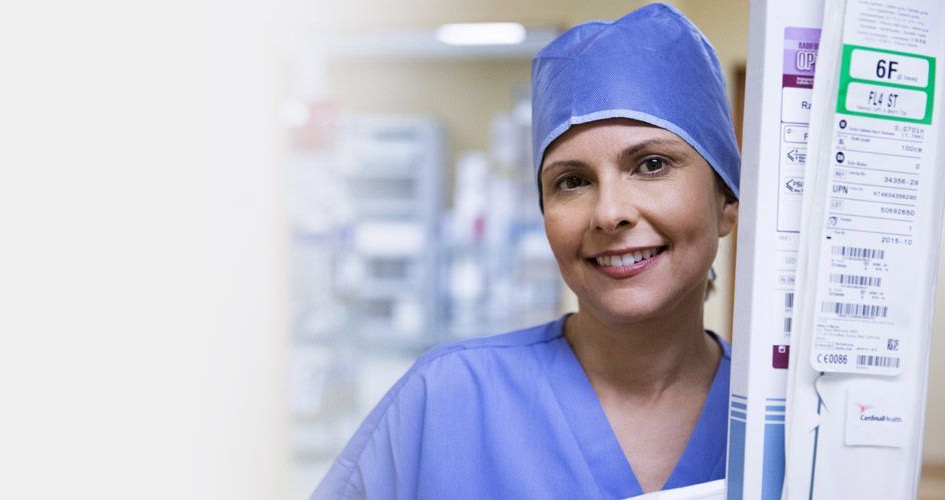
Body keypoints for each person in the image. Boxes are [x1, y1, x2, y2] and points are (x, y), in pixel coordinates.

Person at [311, 4, 741, 499]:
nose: (609, 213)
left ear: (726, 201)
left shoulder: (788, 418)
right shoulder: (446, 403)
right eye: (572, 181)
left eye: (651, 164)